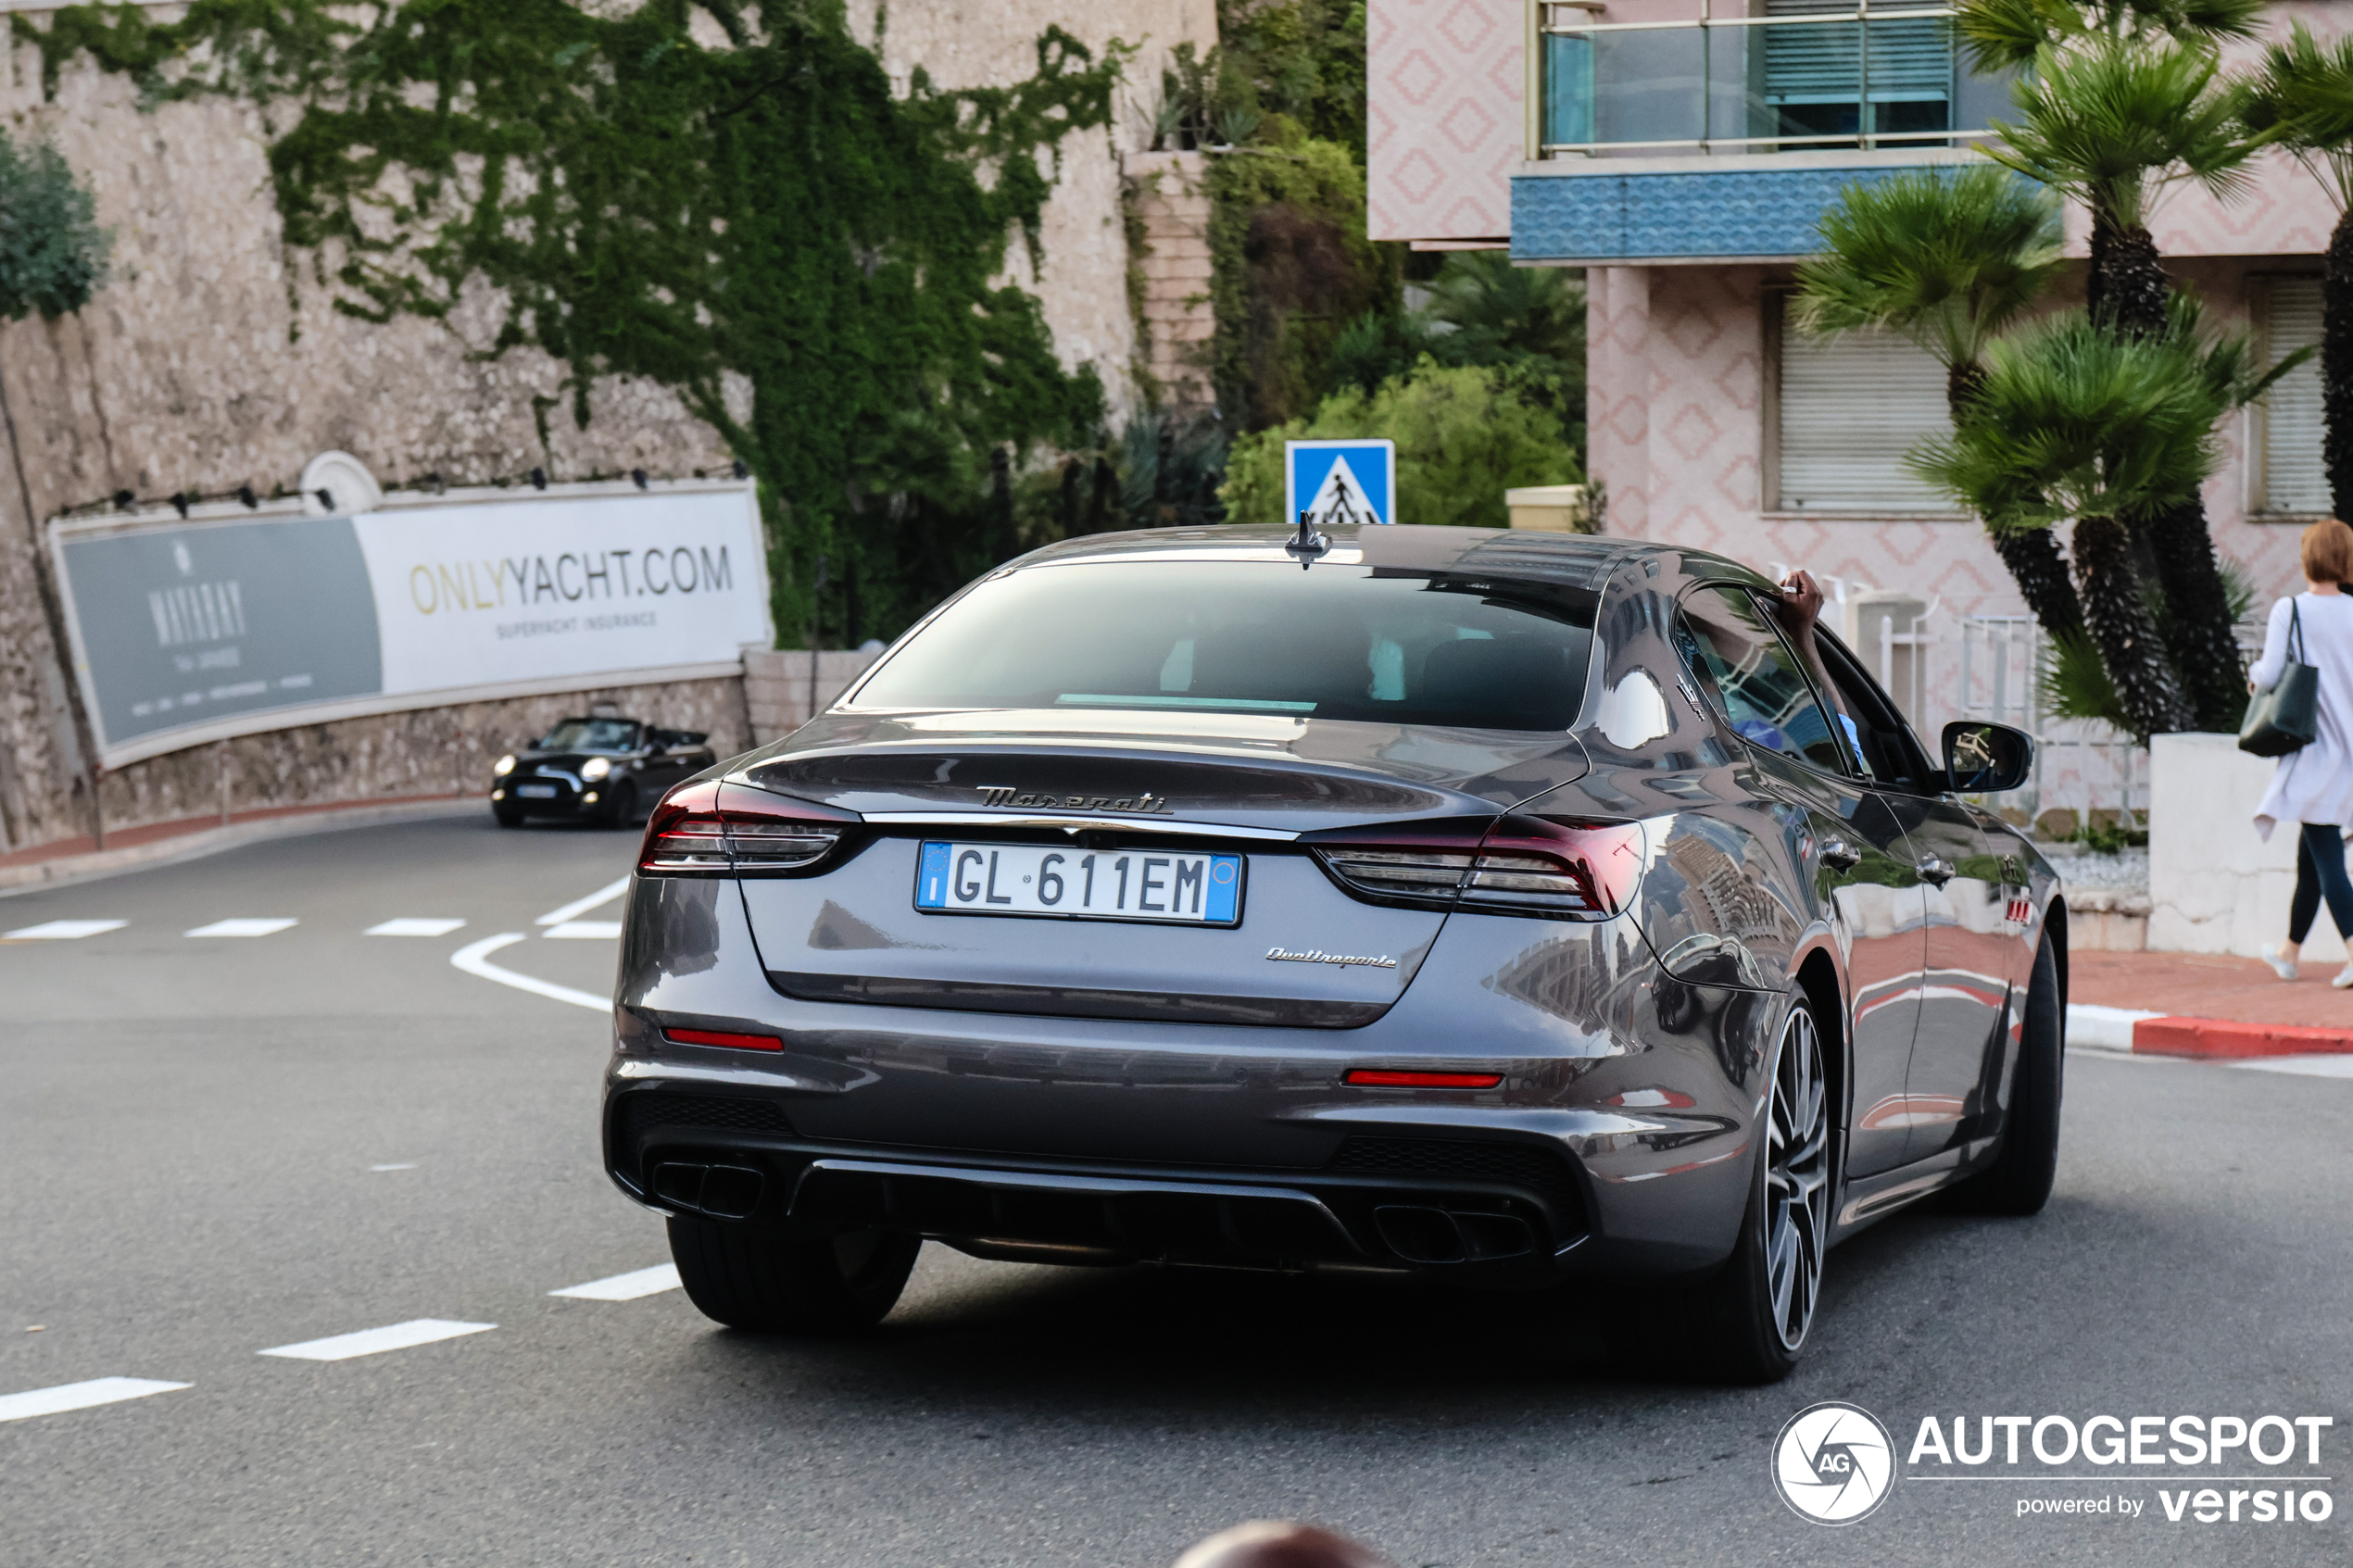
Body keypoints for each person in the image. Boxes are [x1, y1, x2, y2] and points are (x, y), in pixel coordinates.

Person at [2252, 517, 2353, 985]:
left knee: (2328, 856)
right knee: (2311, 856)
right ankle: (2290, 953)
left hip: (2316, 754)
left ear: (2307, 557)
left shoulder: (2290, 610)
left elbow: (2270, 675)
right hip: (2349, 751)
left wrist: (2252, 673)